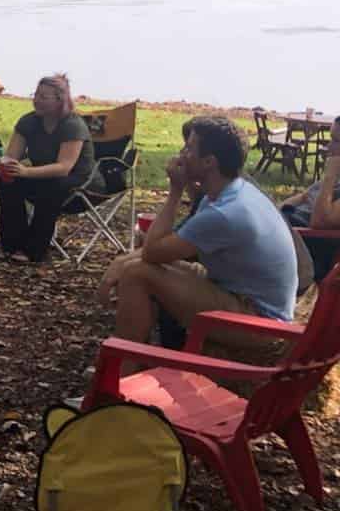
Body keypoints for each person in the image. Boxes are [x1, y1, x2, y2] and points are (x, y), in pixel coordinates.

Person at [101, 116, 298, 345]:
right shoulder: (233, 192)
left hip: (258, 320)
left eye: (189, 148)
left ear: (208, 162)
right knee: (141, 266)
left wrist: (175, 190)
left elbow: (151, 251)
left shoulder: (225, 213)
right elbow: (166, 249)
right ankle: (139, 353)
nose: (182, 153)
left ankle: (125, 363)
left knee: (138, 273)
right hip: (240, 294)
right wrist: (121, 261)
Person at [0, 74, 95, 264]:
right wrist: (2, 164)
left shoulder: (72, 125)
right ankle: (12, 243)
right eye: (36, 94)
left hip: (76, 181)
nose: (36, 100)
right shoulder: (28, 122)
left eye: (43, 97)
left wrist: (25, 172)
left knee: (52, 188)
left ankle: (34, 250)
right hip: (41, 174)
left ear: (60, 100)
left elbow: (64, 167)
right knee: (6, 182)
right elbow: (12, 156)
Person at [281, 119, 340, 283]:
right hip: (284, 224)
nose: (329, 147)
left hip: (299, 242)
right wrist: (273, 212)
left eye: (336, 141)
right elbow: (304, 196)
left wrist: (330, 176)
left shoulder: (333, 177)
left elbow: (319, 222)